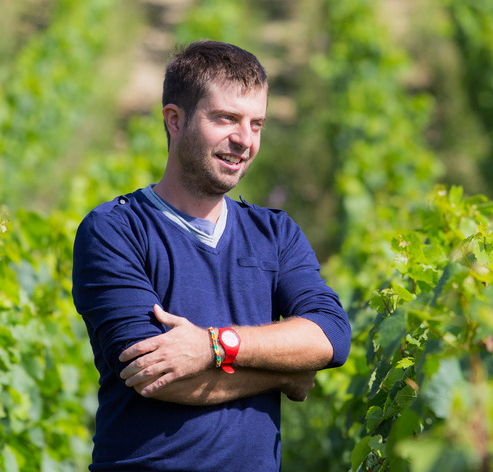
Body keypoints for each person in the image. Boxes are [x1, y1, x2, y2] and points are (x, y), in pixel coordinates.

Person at [72, 40, 351, 471]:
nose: (244, 140)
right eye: (226, 119)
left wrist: (212, 345)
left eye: (256, 124)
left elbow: (331, 335)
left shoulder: (276, 233)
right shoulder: (115, 230)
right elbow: (154, 375)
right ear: (175, 120)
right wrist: (285, 370)